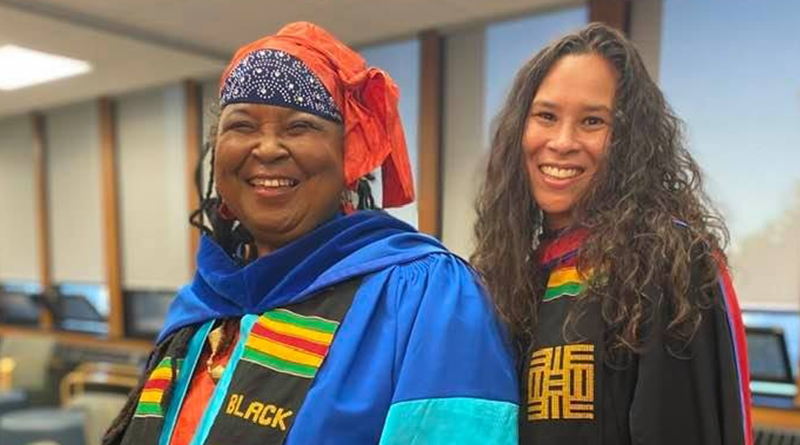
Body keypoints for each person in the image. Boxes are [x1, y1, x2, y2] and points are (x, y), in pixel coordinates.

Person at [103, 22, 518, 445]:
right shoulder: (202, 308)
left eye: (299, 127)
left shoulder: (422, 297)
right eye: (242, 126)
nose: (266, 149)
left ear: (350, 156)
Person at [471, 23, 752, 445]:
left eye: (592, 121)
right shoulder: (513, 276)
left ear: (628, 139)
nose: (563, 142)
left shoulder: (668, 266)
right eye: (546, 116)